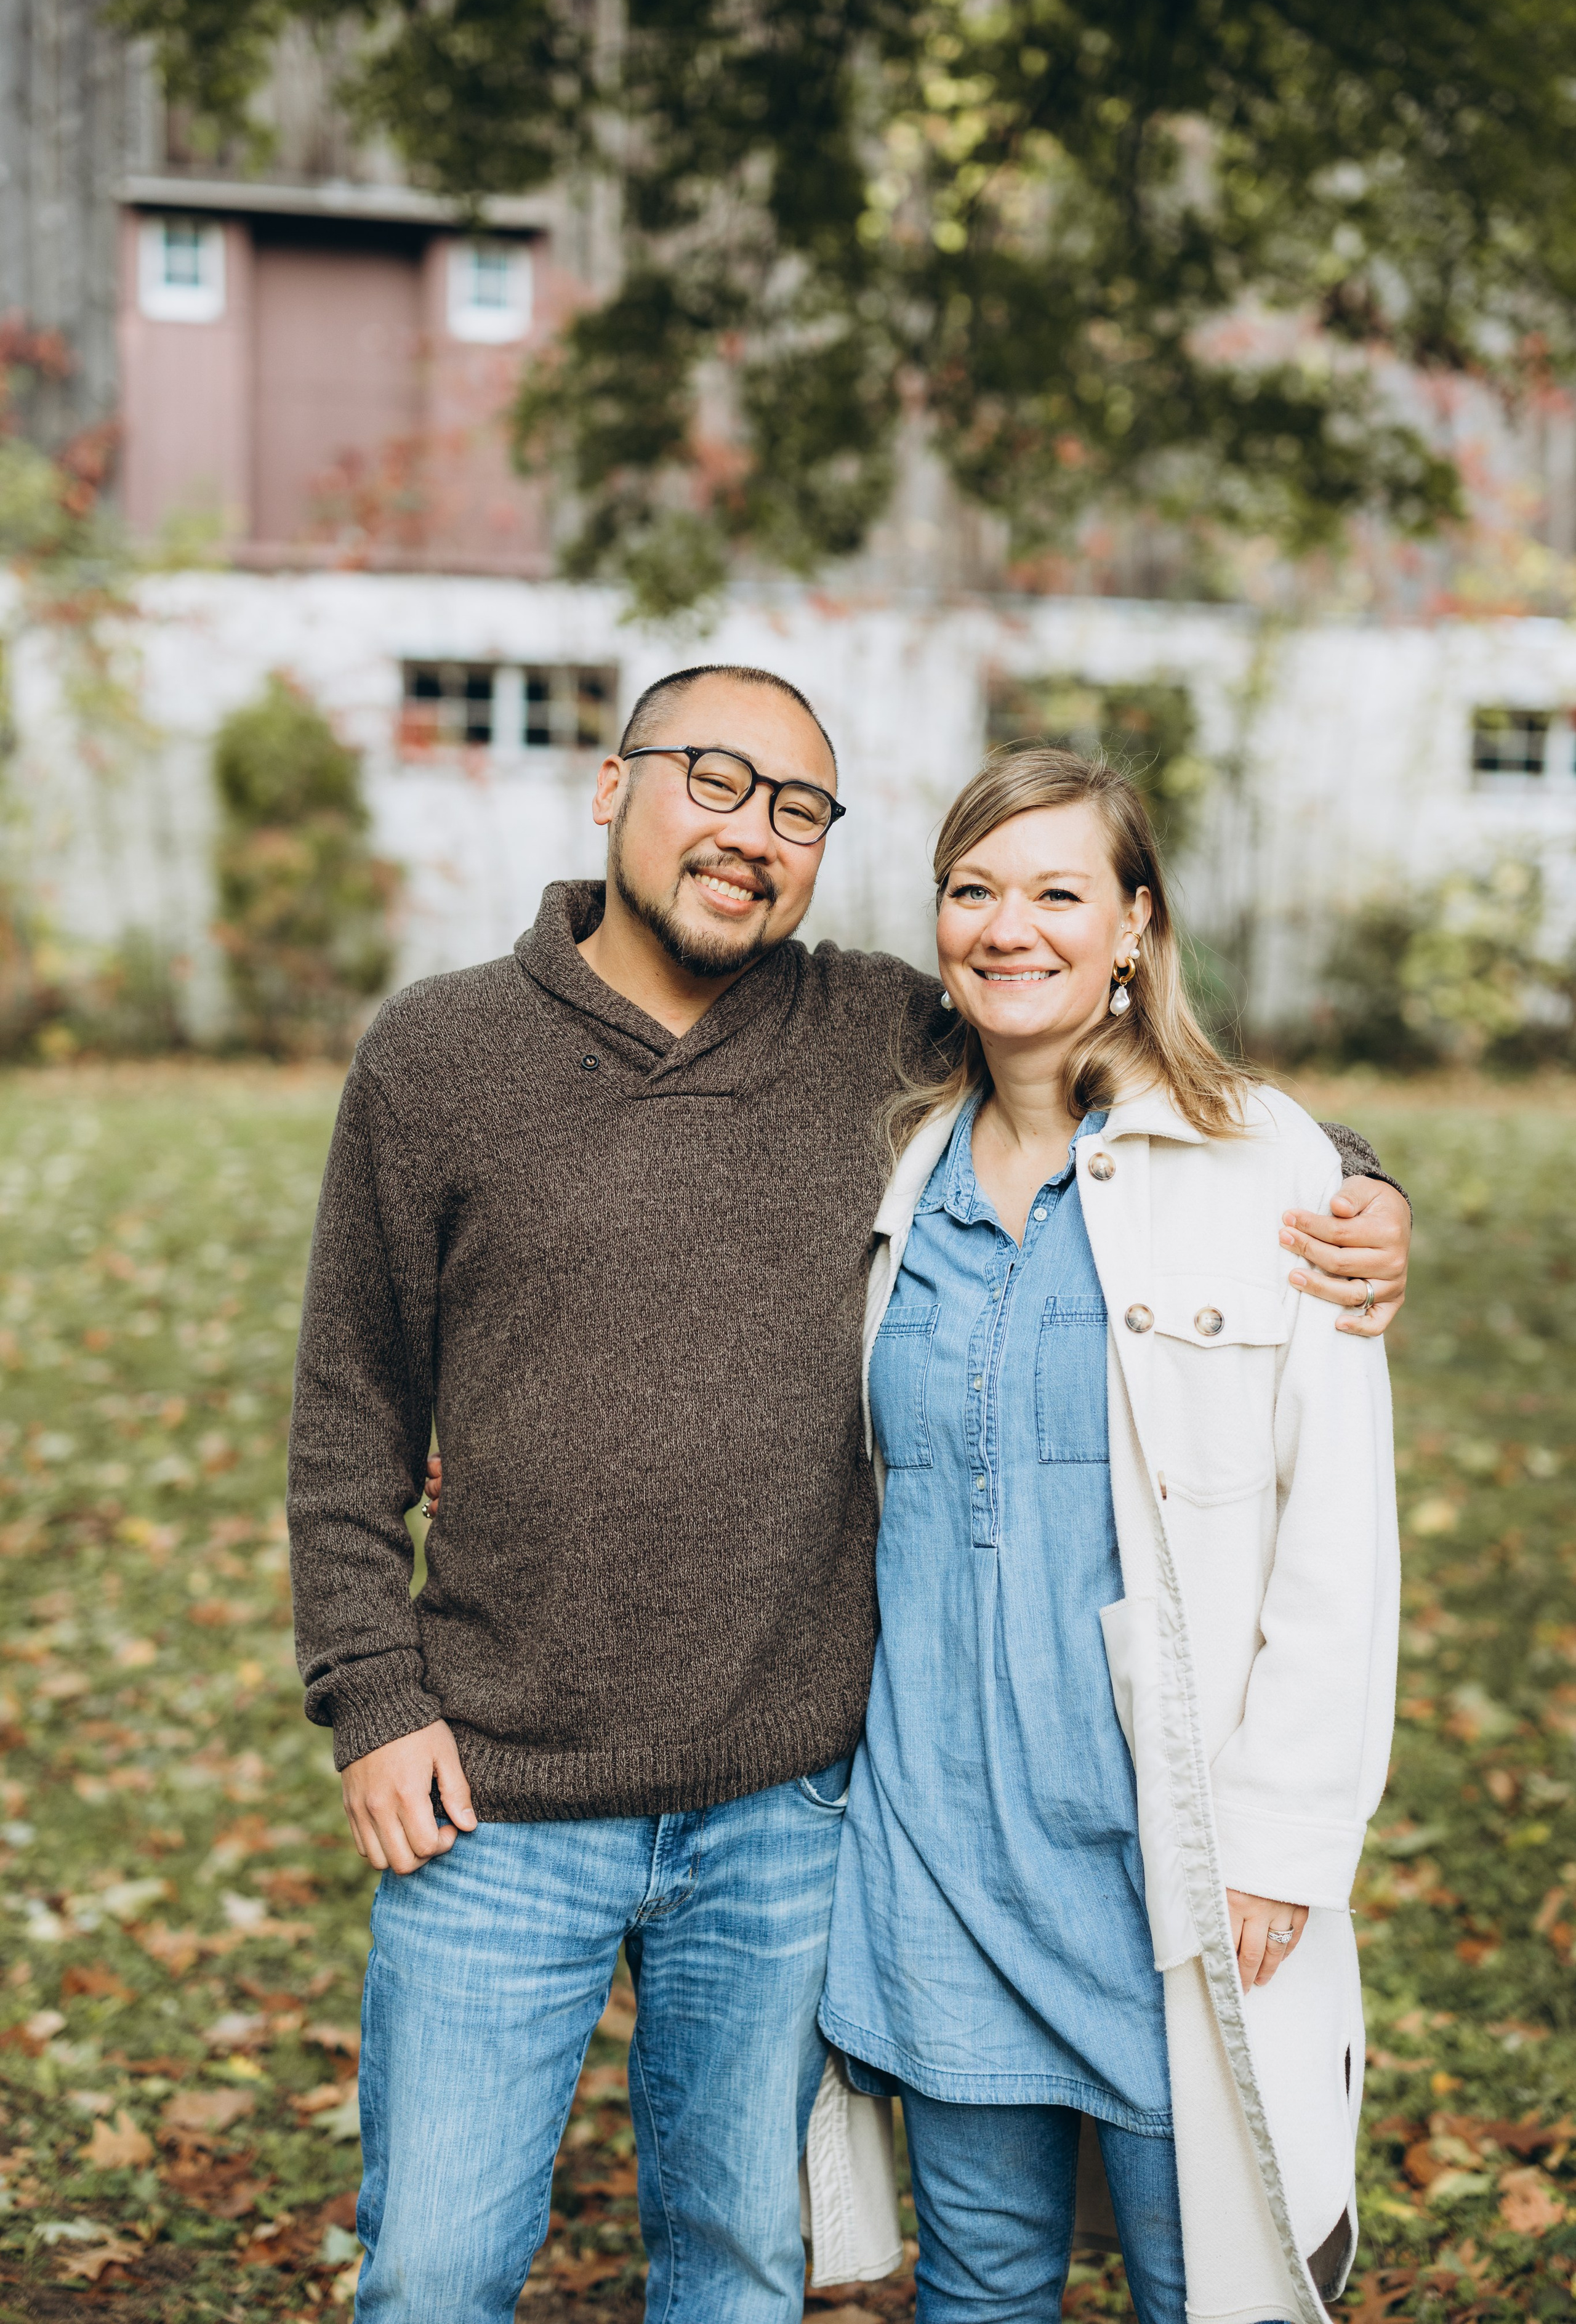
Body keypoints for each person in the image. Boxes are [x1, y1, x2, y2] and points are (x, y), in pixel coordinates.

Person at [286, 664, 1412, 2324]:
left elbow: (1139, 1087)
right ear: (613, 789)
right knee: (435, 2269)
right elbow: (347, 1408)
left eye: (799, 809)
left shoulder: (874, 1030)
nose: (752, 835)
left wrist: (1362, 1186)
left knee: (743, 2266)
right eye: (714, 782)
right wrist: (370, 1693)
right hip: (500, 1792)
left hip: (784, 1803)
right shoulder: (440, 1056)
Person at [816, 744, 1399, 2324]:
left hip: (1164, 1861)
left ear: (1133, 925)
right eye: (972, 889)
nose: (1010, 928)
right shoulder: (894, 1168)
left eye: (1057, 891)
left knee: (1201, 2285)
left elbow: (1334, 1538)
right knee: (981, 2285)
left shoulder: (1261, 1164)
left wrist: (1277, 1844)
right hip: (937, 1831)